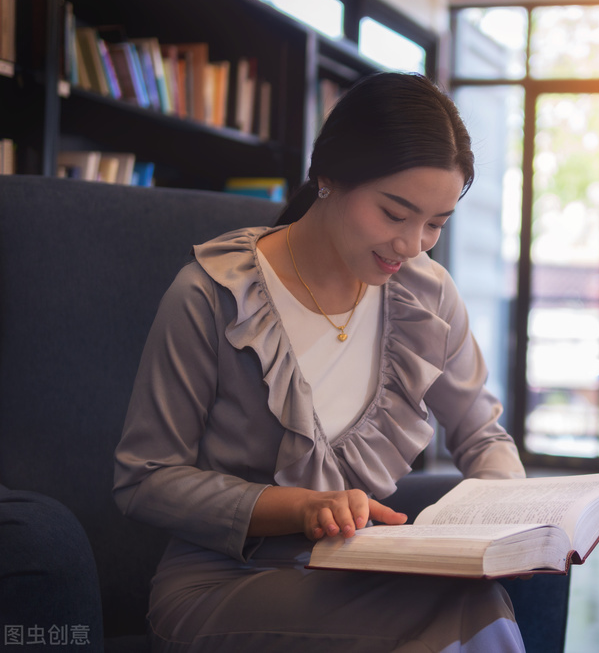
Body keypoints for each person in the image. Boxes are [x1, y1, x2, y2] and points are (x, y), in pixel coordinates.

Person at [113, 72, 527, 653]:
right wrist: (299, 507)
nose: (412, 245)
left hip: (356, 568)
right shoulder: (210, 295)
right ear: (328, 175)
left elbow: (482, 436)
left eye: (435, 224)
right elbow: (145, 479)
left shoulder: (426, 294)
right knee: (443, 622)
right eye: (394, 213)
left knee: (475, 598)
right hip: (227, 581)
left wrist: (516, 519)